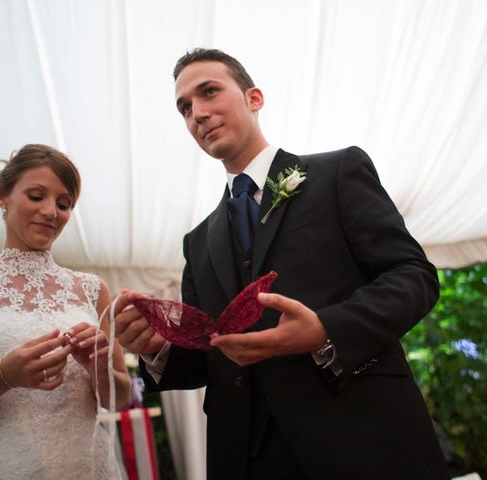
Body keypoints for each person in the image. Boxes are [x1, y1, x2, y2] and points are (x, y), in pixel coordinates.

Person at [114, 48, 448, 479]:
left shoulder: (337, 172)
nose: (197, 113)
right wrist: (156, 347)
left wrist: (326, 330)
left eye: (209, 92)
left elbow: (413, 276)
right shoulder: (197, 242)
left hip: (365, 437)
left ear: (254, 98)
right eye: (184, 108)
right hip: (250, 459)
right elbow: (208, 354)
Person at [0, 144, 131, 479]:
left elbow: (119, 397)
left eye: (63, 204)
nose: (51, 212)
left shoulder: (92, 289)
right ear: (3, 197)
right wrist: (5, 375)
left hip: (88, 467)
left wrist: (98, 369)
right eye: (36, 196)